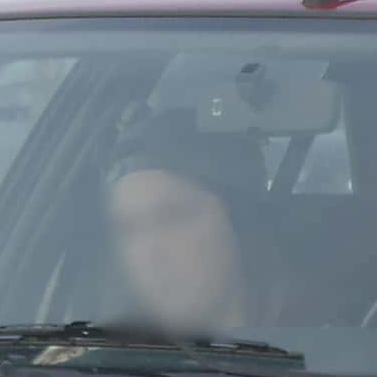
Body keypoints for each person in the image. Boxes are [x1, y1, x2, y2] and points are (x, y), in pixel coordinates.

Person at [104, 124, 267, 341]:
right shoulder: (108, 357)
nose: (149, 252)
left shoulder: (322, 344)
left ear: (239, 224)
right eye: (128, 229)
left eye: (172, 218)